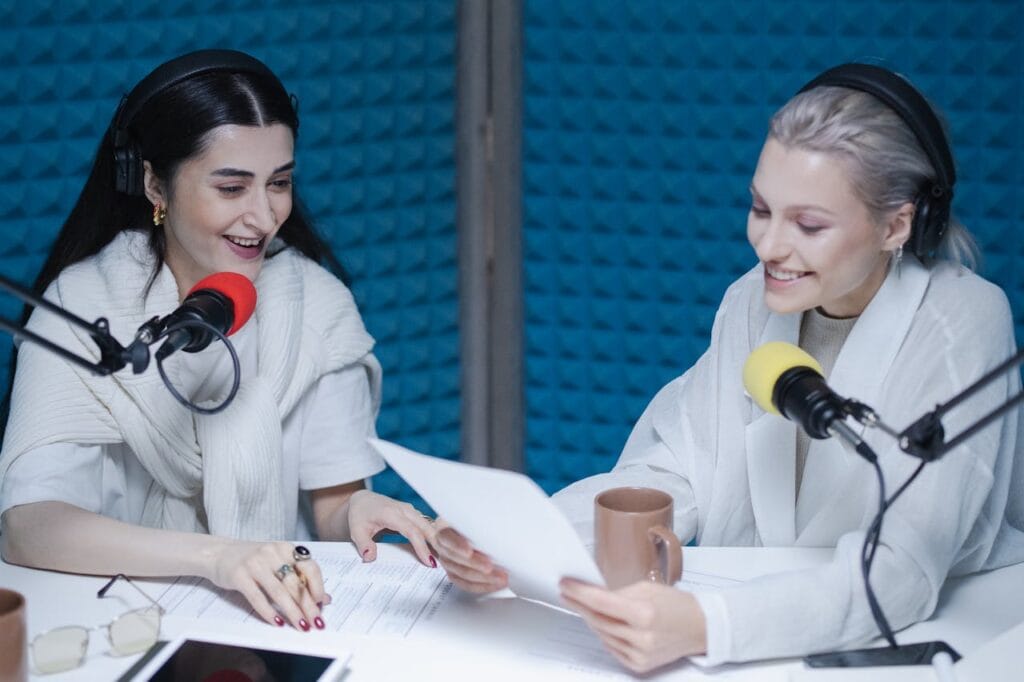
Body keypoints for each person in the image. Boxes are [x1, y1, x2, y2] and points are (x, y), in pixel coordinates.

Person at [434, 63, 1024, 672]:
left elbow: (902, 570)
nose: (768, 246)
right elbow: (675, 471)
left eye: (809, 225)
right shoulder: (752, 297)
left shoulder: (963, 322)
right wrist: (516, 545)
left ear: (898, 224)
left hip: (932, 643)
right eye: (761, 209)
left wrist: (709, 626)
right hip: (774, 636)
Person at [0, 49, 436, 633]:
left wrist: (359, 509)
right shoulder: (81, 308)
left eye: (278, 183)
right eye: (232, 188)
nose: (263, 216)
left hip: (275, 627)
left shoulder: (318, 307)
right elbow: (32, 526)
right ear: (154, 182)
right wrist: (218, 558)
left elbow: (332, 504)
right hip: (114, 628)